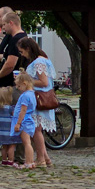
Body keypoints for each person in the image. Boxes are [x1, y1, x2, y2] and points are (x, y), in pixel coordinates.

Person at [17, 37, 56, 168]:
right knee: (36, 129)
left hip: (39, 98)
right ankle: (46, 158)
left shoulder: (39, 61)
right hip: (40, 98)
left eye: (22, 51)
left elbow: (44, 82)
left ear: (28, 49)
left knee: (36, 130)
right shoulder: (43, 59)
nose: (22, 54)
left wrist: (26, 81)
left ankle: (40, 159)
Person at [0, 11, 26, 89]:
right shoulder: (24, 36)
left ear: (11, 23)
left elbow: (10, 64)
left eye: (4, 25)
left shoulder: (15, 39)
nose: (3, 28)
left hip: (11, 85)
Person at [11, 72, 36, 169]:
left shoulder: (25, 95)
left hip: (24, 122)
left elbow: (23, 110)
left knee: (26, 143)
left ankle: (29, 162)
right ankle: (30, 161)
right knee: (27, 143)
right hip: (28, 120)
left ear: (25, 84)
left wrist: (18, 123)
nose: (17, 88)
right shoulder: (32, 94)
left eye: (19, 85)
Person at [0, 87, 20, 166]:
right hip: (9, 131)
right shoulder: (10, 108)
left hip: (1, 132)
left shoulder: (0, 108)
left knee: (4, 146)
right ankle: (11, 161)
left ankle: (4, 160)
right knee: (12, 146)